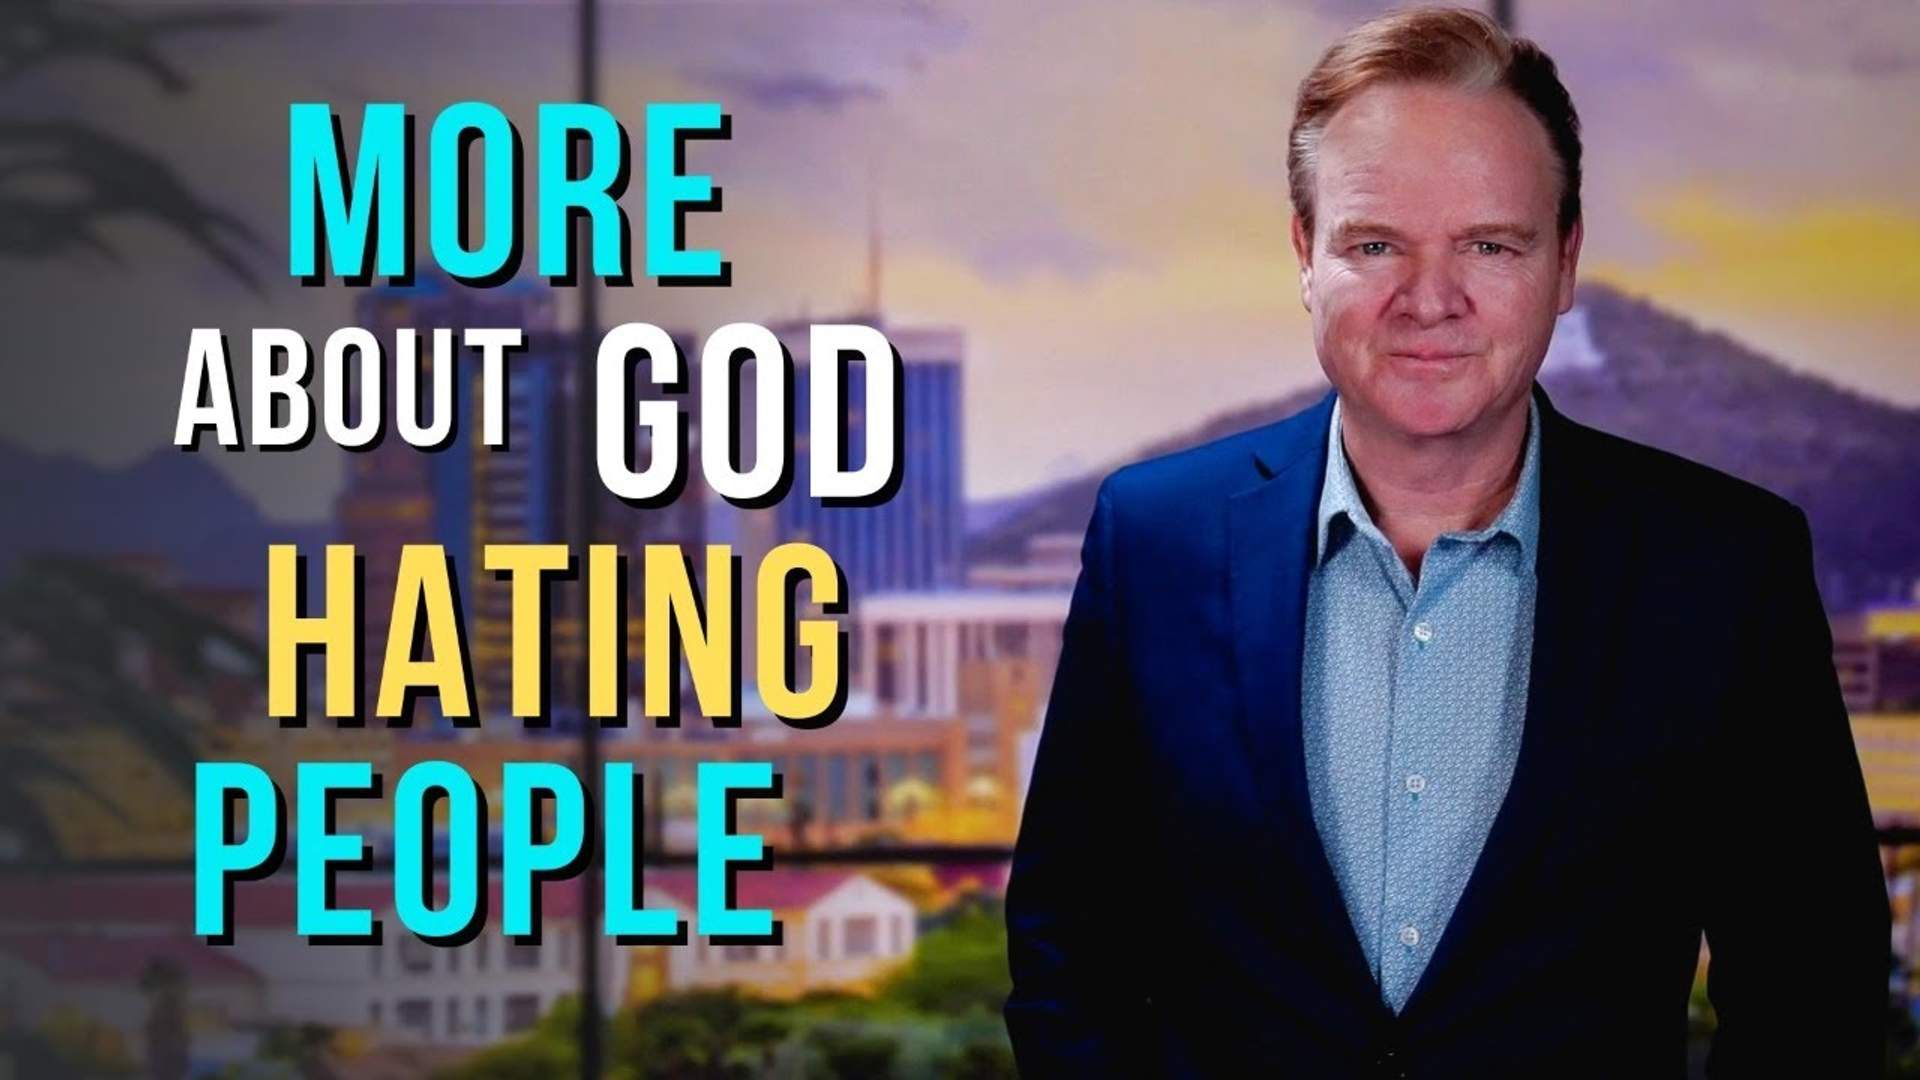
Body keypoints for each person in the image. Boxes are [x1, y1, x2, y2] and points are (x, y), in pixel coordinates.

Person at [1001, 7, 1890, 1077]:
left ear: (1564, 263)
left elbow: (1816, 987)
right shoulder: (1154, 538)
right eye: (1376, 244)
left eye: (1488, 244)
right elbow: (1069, 946)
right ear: (1305, 253)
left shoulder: (1723, 568)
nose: (1430, 300)